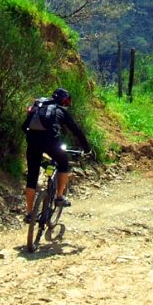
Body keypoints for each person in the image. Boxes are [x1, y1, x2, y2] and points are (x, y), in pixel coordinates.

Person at [22, 88, 91, 223]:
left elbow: (26, 126)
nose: (66, 104)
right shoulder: (61, 111)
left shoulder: (38, 106)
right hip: (51, 143)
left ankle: (29, 213)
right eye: (66, 101)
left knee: (31, 177)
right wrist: (87, 149)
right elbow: (76, 131)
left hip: (32, 143)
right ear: (61, 100)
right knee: (63, 163)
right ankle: (59, 197)